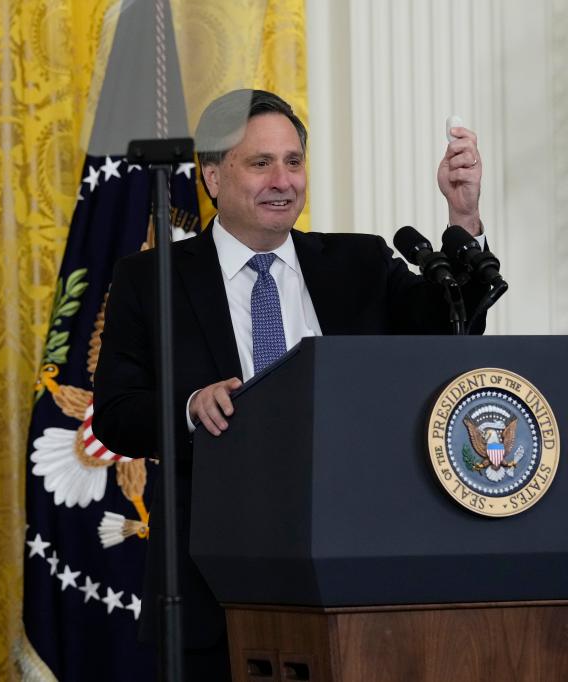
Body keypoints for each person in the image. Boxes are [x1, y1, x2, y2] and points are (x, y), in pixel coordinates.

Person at [92, 89, 488, 680]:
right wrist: (190, 406)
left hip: (360, 580)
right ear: (212, 177)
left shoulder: (360, 264)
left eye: (294, 161)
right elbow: (116, 413)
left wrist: (462, 217)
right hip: (211, 586)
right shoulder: (153, 281)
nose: (284, 180)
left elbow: (447, 338)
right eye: (261, 163)